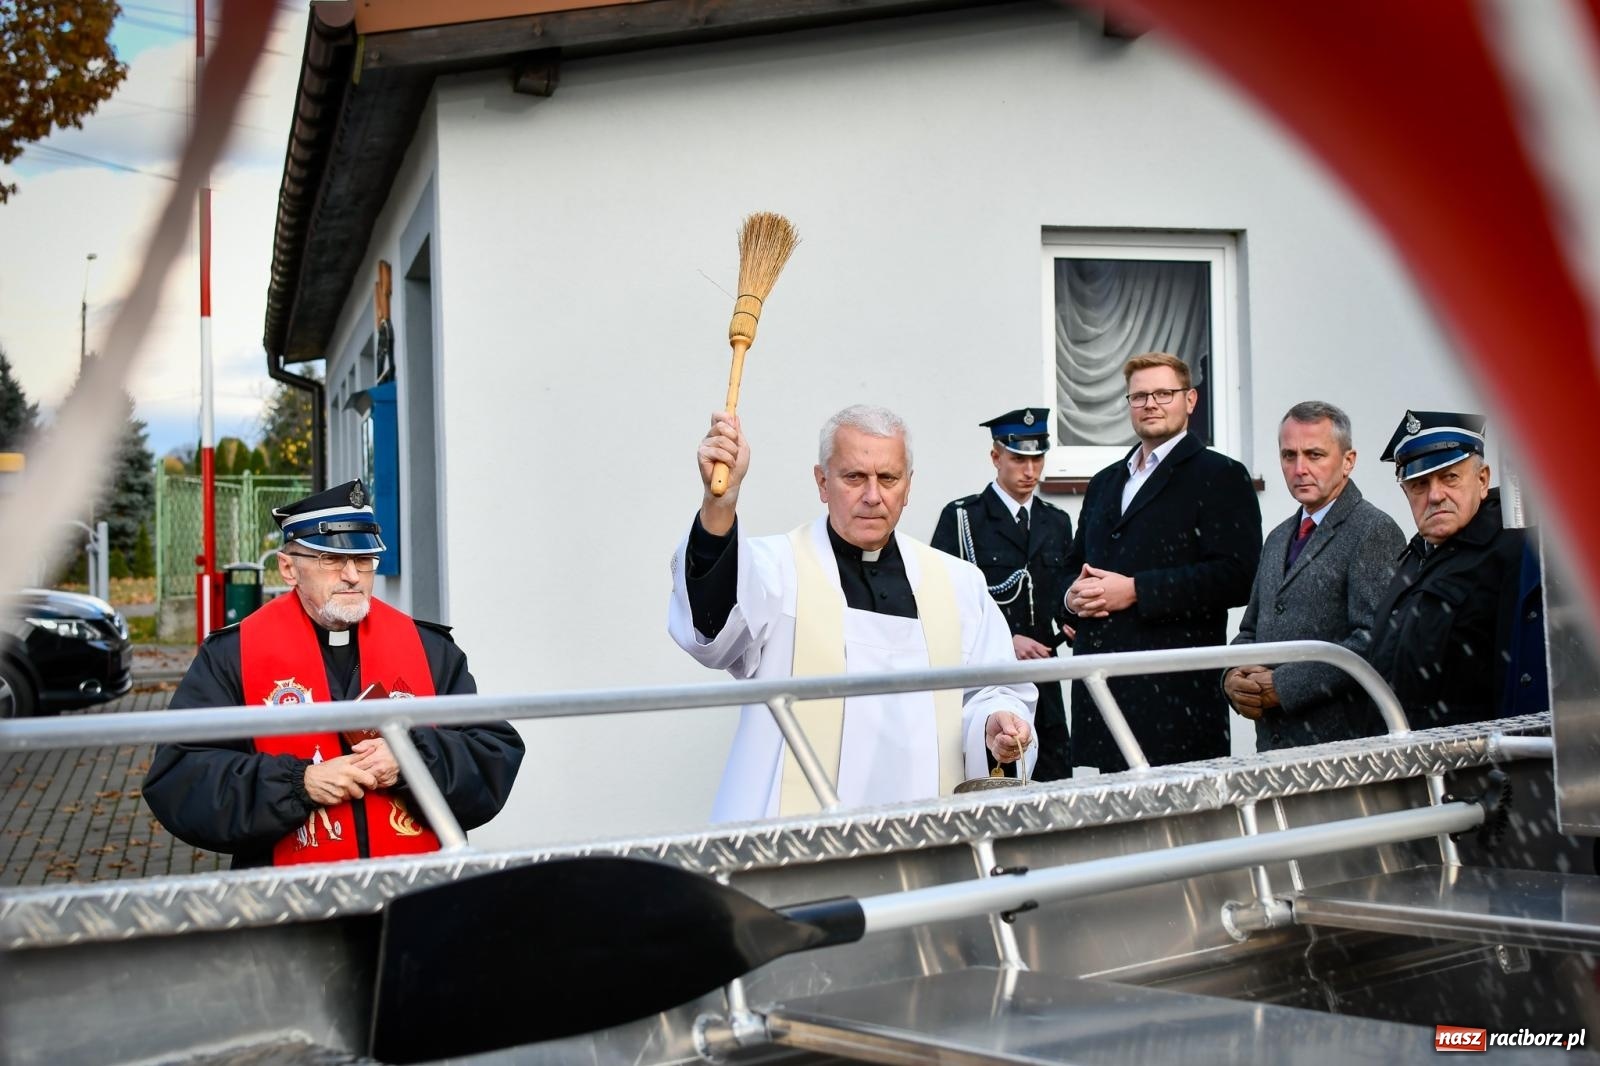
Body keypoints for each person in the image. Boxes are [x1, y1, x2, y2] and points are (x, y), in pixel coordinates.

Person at [668, 404, 1037, 822]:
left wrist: (996, 724)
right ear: (822, 482)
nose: (873, 495)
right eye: (854, 477)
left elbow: (994, 690)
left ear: (908, 486)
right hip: (797, 838)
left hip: (926, 834)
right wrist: (720, 505)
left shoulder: (958, 584)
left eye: (888, 478)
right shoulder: (775, 568)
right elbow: (713, 635)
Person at [143, 480, 524, 868]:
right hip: (289, 908)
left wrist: (411, 759)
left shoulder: (430, 649)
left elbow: (492, 753)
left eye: (364, 561)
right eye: (331, 560)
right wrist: (298, 784)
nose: (353, 576)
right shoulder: (231, 656)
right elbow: (180, 777)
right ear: (288, 568)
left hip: (415, 893)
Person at [1064, 352, 1262, 771]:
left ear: (1190, 400)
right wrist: (1070, 598)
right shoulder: (1104, 482)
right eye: (1139, 396)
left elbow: (1237, 576)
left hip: (1174, 698)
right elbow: (1073, 563)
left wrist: (1135, 591)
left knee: (1182, 831)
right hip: (1103, 691)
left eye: (1163, 393)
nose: (1150, 404)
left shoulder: (1221, 475)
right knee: (1114, 830)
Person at [1223, 402, 1406, 749]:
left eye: (1315, 454)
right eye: (1289, 455)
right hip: (1274, 745)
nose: (1300, 468)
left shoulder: (1373, 530)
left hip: (1339, 745)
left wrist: (1284, 686)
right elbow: (1250, 629)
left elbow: (1373, 640)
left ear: (1348, 461)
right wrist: (1232, 677)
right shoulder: (1278, 536)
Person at [1366, 411, 1546, 729]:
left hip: (1469, 763)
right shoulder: (1417, 554)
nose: (1435, 495)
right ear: (1405, 493)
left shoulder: (1515, 551)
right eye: (1419, 484)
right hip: (1407, 760)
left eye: (1450, 477)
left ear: (1482, 480)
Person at [932, 407, 1074, 780]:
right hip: (987, 680)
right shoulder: (963, 518)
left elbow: (1060, 593)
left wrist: (1074, 618)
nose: (1030, 471)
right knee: (995, 779)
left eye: (1037, 458)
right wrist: (1007, 640)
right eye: (1018, 459)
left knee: (1052, 782)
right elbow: (941, 602)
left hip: (1044, 677)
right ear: (995, 457)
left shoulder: (1056, 521)